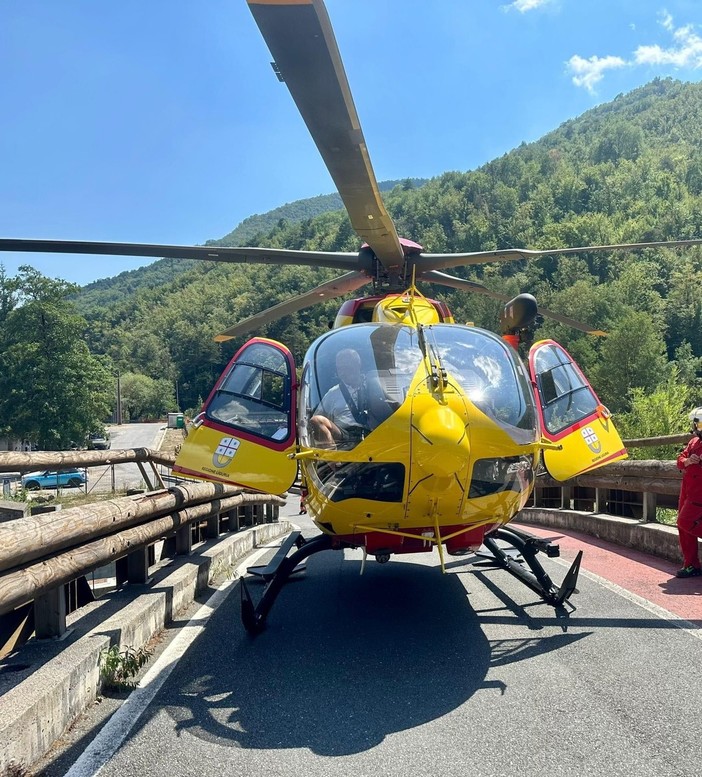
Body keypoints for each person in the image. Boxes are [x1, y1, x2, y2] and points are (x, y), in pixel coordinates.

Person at [309, 348, 379, 448]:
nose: (343, 372)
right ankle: (334, 462)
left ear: (358, 365)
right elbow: (315, 426)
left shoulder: (375, 385)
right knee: (317, 420)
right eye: (340, 369)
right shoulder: (333, 393)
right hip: (344, 437)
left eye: (347, 367)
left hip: (375, 434)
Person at [674, 406, 702, 578]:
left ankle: (692, 564)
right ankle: (691, 564)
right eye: (697, 424)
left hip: (699, 491)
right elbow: (679, 460)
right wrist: (687, 461)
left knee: (685, 521)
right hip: (687, 489)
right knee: (682, 526)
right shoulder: (693, 442)